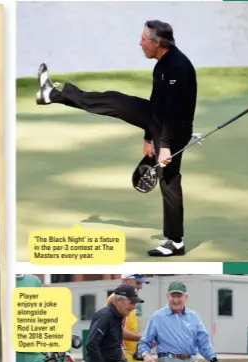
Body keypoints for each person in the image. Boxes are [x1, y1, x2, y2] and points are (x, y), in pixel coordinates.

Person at [35, 20, 197, 257]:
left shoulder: (177, 67)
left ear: (157, 43)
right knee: (115, 101)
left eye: (143, 39)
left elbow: (170, 113)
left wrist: (163, 146)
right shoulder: (162, 65)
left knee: (169, 179)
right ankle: (52, 94)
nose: (140, 43)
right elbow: (158, 106)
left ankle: (175, 241)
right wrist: (148, 136)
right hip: (160, 123)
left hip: (173, 131)